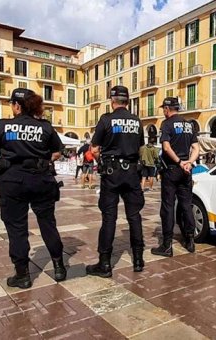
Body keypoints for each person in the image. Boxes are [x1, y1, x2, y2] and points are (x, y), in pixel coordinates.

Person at [0, 88, 66, 289]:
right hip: (41, 179)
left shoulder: (3, 126)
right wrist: (42, 158)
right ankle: (59, 266)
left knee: (16, 228)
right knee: (47, 223)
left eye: (12, 104)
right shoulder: (45, 127)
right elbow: (58, 150)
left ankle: (22, 275)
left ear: (17, 105)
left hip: (12, 180)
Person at [86, 85, 146, 276]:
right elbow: (140, 148)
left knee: (109, 217)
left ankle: (104, 264)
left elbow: (94, 149)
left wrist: (100, 162)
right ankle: (138, 260)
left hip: (112, 172)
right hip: (132, 172)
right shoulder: (137, 121)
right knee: (134, 216)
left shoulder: (106, 119)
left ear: (112, 101)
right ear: (127, 101)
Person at [151, 97, 200, 257]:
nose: (163, 112)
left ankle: (167, 245)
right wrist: (189, 163)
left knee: (168, 206)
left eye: (163, 109)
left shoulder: (167, 124)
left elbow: (166, 147)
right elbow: (196, 148)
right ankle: (190, 240)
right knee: (186, 204)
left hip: (172, 170)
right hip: (186, 171)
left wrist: (179, 162)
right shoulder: (189, 124)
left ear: (167, 108)